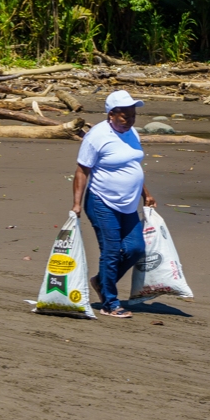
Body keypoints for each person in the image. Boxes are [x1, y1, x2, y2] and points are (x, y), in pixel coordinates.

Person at [71, 90, 157, 318]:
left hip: (128, 203)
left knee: (135, 249)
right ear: (111, 114)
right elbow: (82, 171)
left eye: (133, 115)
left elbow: (133, 167)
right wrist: (76, 204)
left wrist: (146, 194)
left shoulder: (132, 133)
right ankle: (110, 302)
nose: (130, 120)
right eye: (125, 116)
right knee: (110, 251)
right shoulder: (97, 136)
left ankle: (101, 282)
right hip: (102, 202)